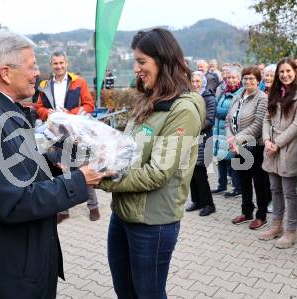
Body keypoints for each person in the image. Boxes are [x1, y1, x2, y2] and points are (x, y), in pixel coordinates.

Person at [0, 30, 108, 298]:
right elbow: (13, 202)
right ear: (5, 73)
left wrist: (52, 164)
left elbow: (14, 166)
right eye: (32, 66)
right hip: (9, 274)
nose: (37, 72)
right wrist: (77, 182)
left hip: (13, 262)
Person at [97, 28, 206, 299]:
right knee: (125, 291)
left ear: (163, 60)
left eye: (142, 62)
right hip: (122, 215)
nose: (136, 69)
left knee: (148, 294)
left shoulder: (183, 110)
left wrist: (102, 179)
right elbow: (128, 149)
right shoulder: (148, 99)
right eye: (136, 61)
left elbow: (158, 172)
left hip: (152, 223)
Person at [36, 50, 100, 223]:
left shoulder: (79, 82)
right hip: (54, 133)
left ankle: (93, 206)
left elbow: (89, 105)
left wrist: (68, 114)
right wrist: (47, 112)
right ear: (51, 65)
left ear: (67, 63)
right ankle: (62, 209)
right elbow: (38, 108)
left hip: (75, 133)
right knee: (59, 168)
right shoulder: (44, 85)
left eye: (61, 63)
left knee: (81, 167)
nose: (58, 66)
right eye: (55, 63)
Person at [259, 58, 297, 249]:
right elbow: (266, 118)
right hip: (271, 146)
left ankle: (291, 231)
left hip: (290, 147)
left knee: (289, 192)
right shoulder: (274, 92)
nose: (285, 75)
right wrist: (266, 140)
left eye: (288, 71)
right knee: (275, 189)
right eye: (281, 72)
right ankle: (276, 226)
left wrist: (277, 143)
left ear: (295, 72)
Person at [226, 66, 271, 229]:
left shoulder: (262, 98)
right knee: (243, 181)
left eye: (252, 78)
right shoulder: (238, 96)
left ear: (258, 81)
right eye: (245, 78)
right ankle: (246, 212)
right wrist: (231, 140)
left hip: (254, 147)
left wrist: (237, 140)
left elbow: (258, 124)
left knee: (259, 183)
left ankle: (261, 216)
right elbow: (227, 121)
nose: (248, 81)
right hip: (237, 148)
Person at [186, 71, 216, 216]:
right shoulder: (189, 97)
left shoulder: (209, 98)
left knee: (200, 173)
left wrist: (191, 126)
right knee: (191, 171)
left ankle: (209, 204)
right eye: (193, 81)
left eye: (198, 81)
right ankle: (196, 201)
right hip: (190, 138)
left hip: (204, 139)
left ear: (203, 82)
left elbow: (210, 121)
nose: (195, 84)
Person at [212, 67, 242, 197]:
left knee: (232, 162)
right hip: (219, 131)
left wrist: (219, 112)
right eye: (229, 77)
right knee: (221, 159)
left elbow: (233, 112)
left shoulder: (241, 93)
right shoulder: (225, 91)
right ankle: (221, 185)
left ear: (239, 79)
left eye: (233, 77)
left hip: (231, 133)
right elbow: (215, 108)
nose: (230, 80)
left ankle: (237, 188)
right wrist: (220, 112)